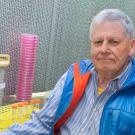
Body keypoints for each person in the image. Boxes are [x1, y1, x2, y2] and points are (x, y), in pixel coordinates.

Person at [1, 8, 135, 135]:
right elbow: (42, 124)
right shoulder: (75, 76)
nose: (104, 49)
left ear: (131, 46)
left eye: (114, 42)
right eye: (98, 42)